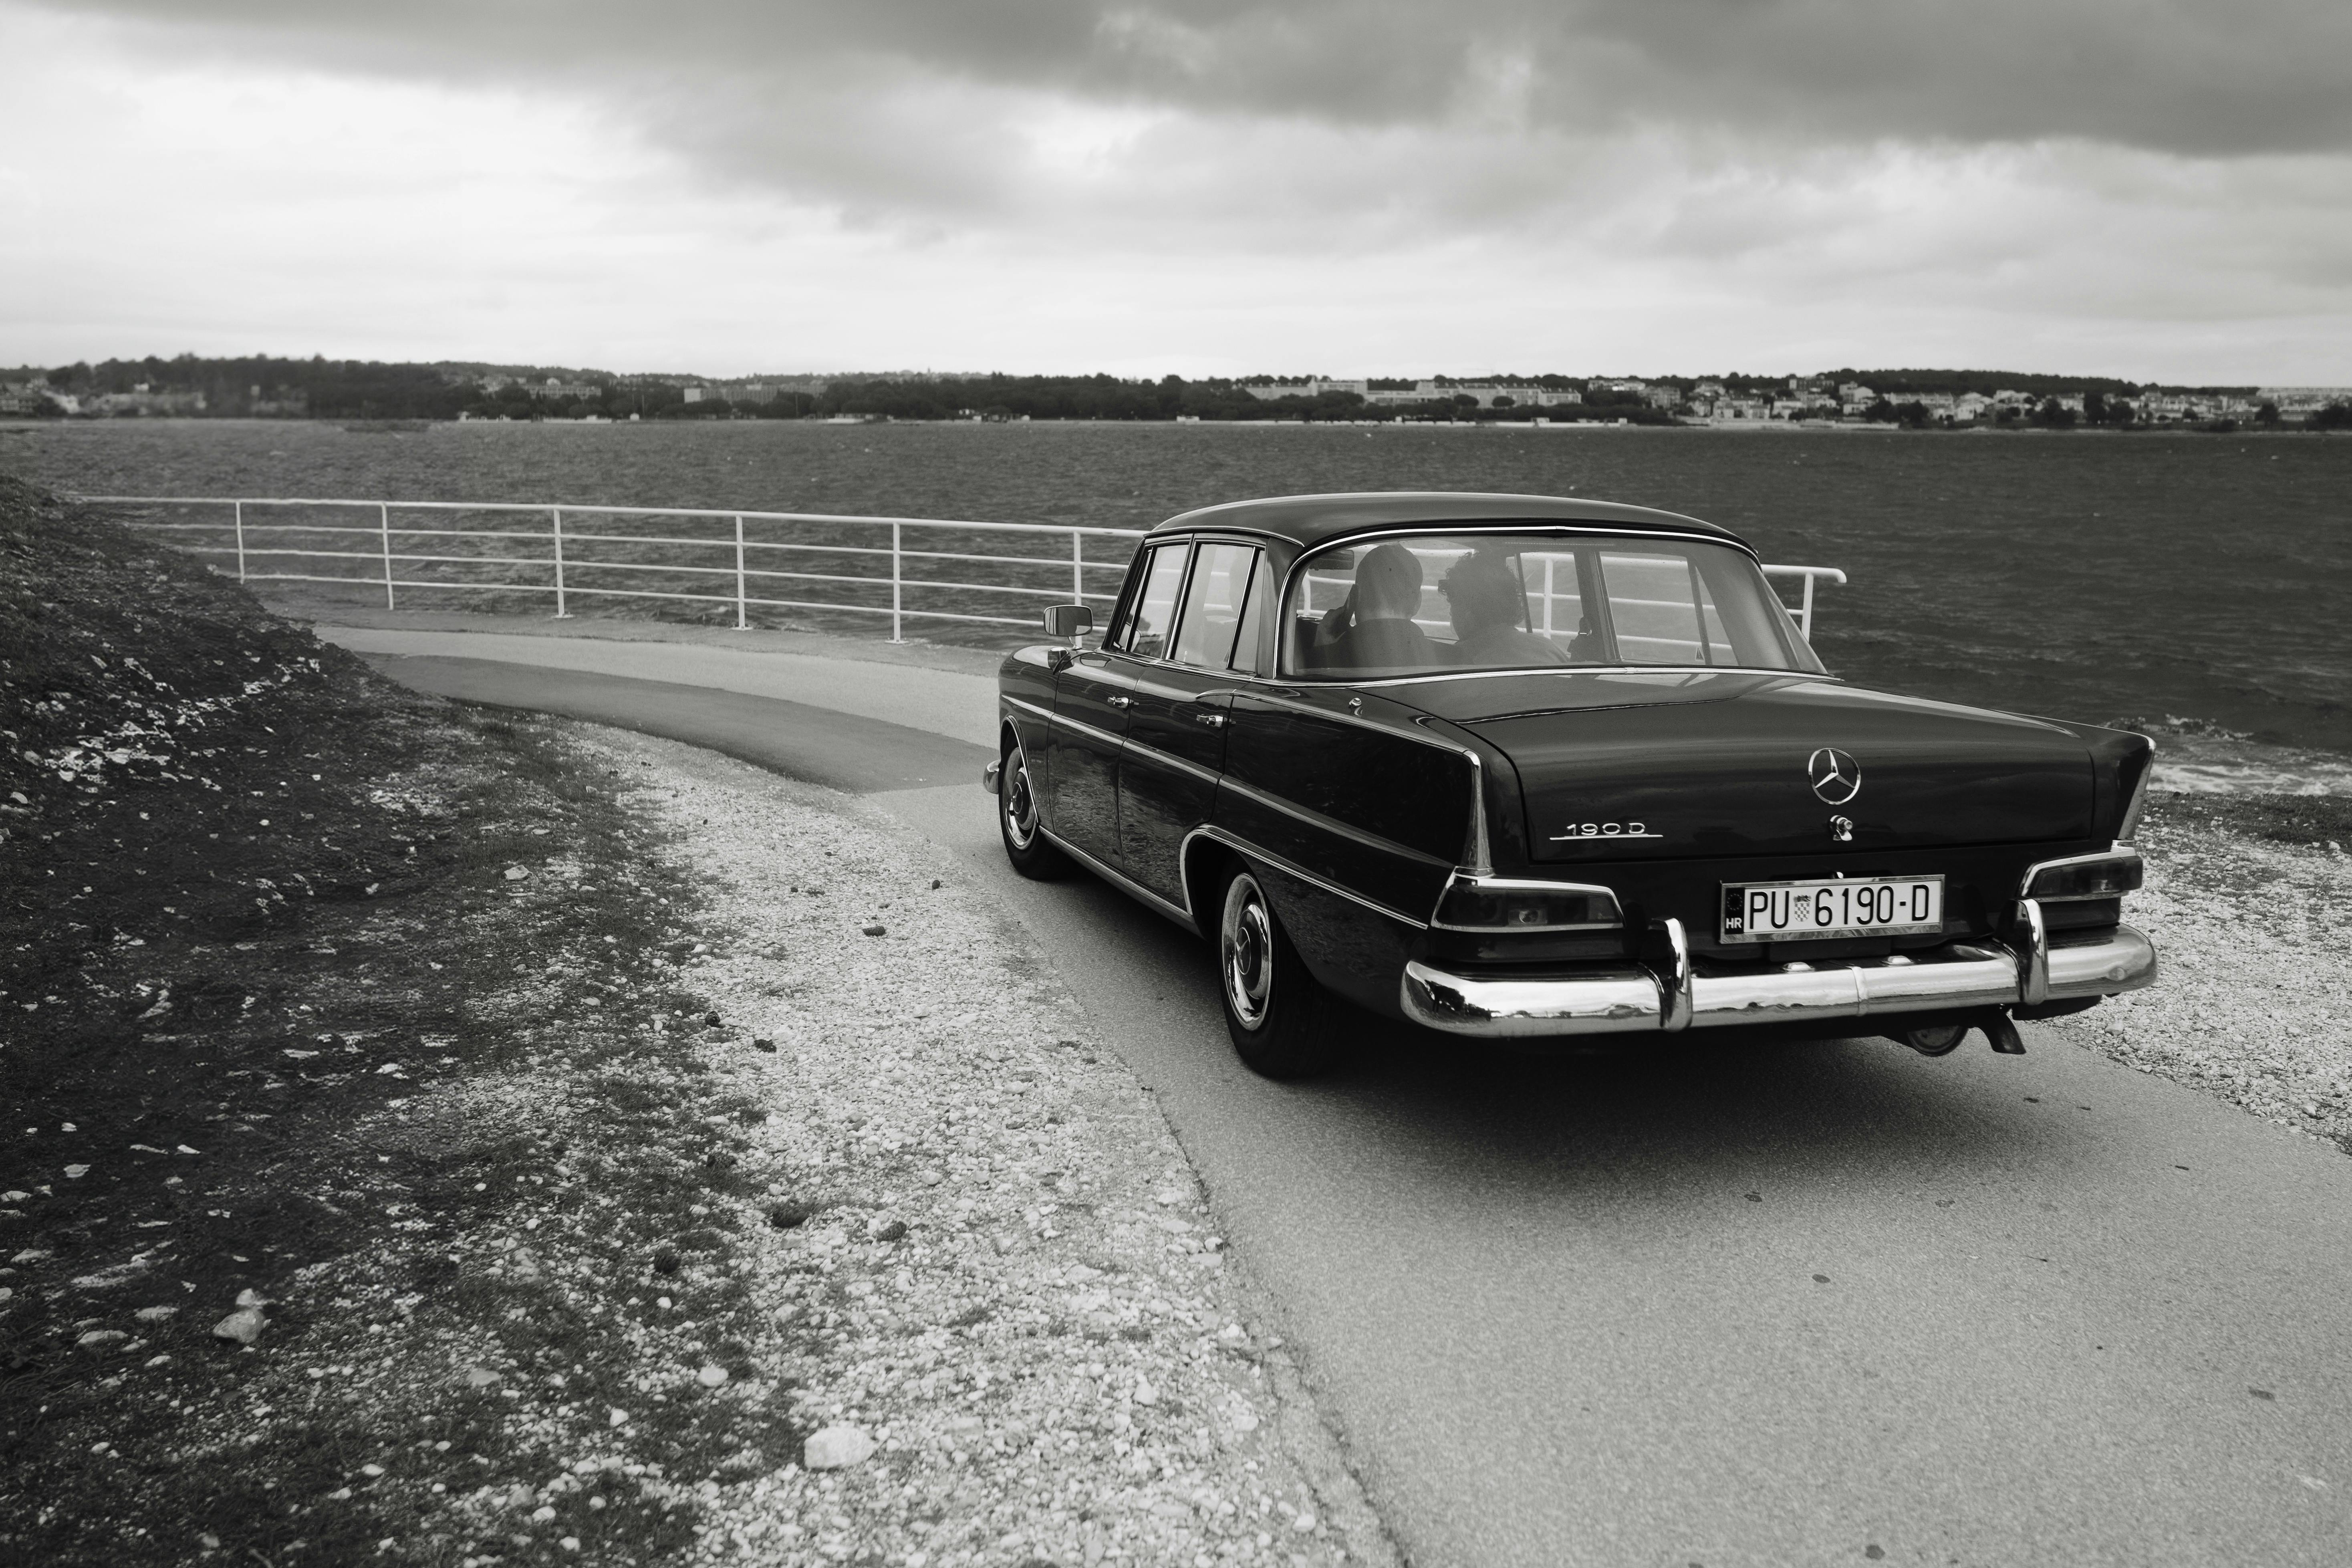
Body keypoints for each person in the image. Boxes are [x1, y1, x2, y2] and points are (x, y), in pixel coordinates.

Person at [1314, 543, 1436, 672]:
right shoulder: (1449, 661)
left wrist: (1323, 650)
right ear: (1418, 603)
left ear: (1356, 597)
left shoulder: (1327, 661)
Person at [1440, 551, 1570, 668]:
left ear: (1467, 616)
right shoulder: (1550, 651)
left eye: (1453, 609)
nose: (1453, 618)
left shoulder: (1454, 663)